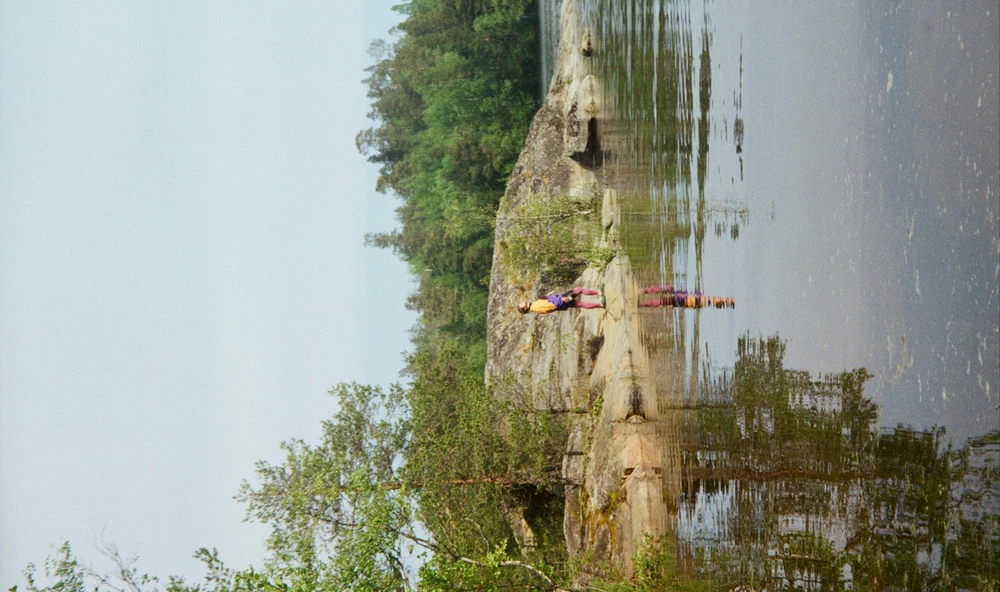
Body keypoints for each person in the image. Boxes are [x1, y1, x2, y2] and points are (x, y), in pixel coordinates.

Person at [519, 287, 603, 314]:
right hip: (563, 300)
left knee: (580, 304)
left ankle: (600, 305)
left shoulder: (534, 305)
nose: (522, 302)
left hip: (562, 302)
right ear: (525, 309)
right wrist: (562, 300)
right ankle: (598, 292)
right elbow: (549, 306)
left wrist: (549, 296)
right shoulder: (535, 307)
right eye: (521, 305)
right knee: (578, 290)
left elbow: (547, 302)